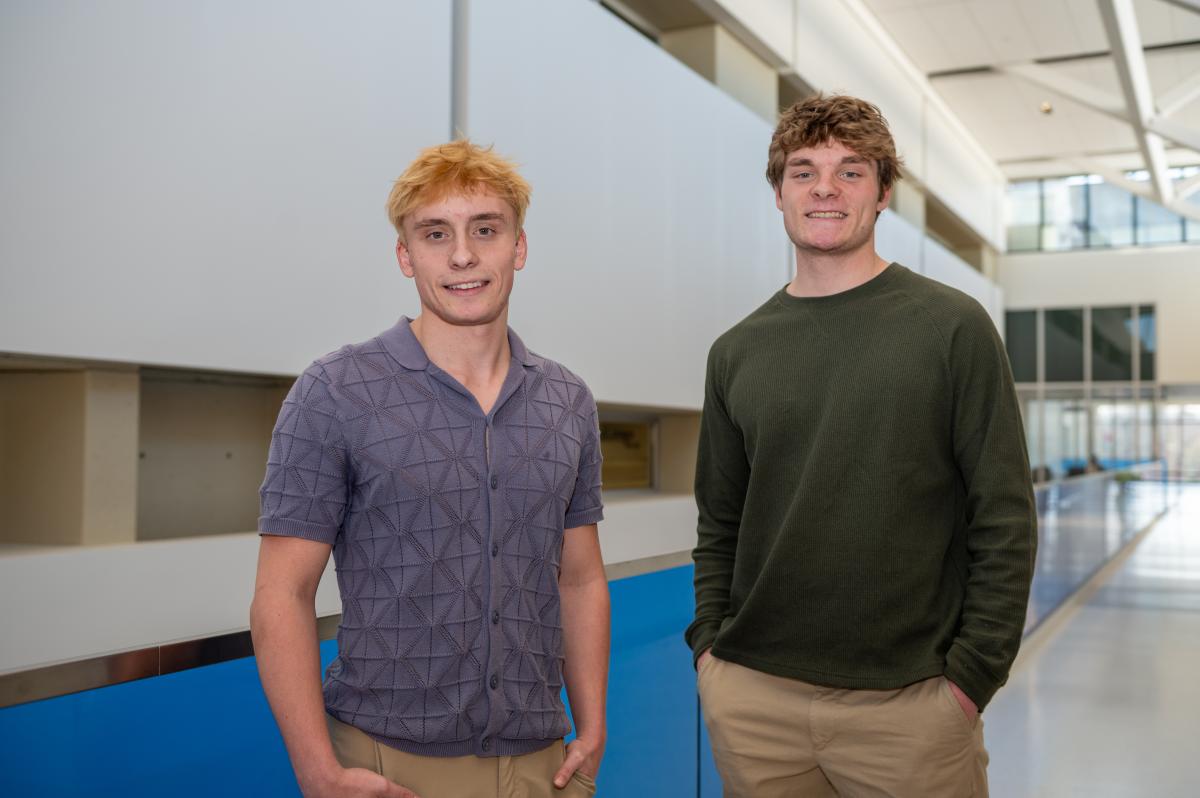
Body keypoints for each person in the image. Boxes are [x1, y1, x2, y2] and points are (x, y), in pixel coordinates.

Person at [686, 94, 1037, 797]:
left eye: (851, 171)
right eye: (803, 170)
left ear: (882, 194)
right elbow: (719, 521)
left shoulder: (952, 328)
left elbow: (1003, 517)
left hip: (911, 709)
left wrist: (969, 680)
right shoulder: (736, 351)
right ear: (779, 193)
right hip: (756, 701)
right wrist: (711, 657)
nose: (824, 187)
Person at [251, 141, 609, 798]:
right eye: (435, 234)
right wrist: (317, 771)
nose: (463, 255)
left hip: (543, 763)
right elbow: (282, 595)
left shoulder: (567, 401)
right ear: (405, 255)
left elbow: (581, 579)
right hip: (386, 765)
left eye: (486, 230)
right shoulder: (335, 390)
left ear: (518, 248)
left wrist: (593, 724)